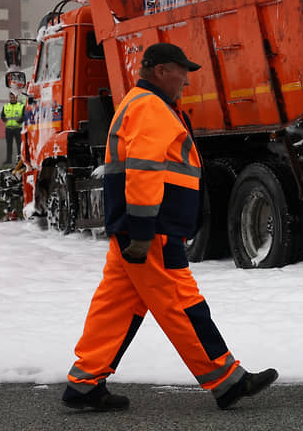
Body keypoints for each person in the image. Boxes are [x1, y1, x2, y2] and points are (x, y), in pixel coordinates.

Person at [62, 43, 277, 412]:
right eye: (182, 71)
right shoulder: (150, 108)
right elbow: (144, 170)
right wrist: (145, 231)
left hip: (138, 228)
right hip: (152, 230)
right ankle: (226, 380)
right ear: (160, 70)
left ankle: (84, 383)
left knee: (115, 305)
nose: (187, 81)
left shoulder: (139, 104)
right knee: (181, 302)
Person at [1, 92, 23, 165]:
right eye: (11, 97)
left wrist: (20, 120)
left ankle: (20, 160)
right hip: (9, 129)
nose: (12, 99)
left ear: (17, 97)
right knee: (9, 145)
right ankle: (8, 160)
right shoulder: (6, 106)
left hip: (18, 128)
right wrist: (4, 119)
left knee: (19, 145)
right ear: (9, 97)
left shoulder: (21, 106)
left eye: (14, 97)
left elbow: (24, 116)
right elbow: (2, 116)